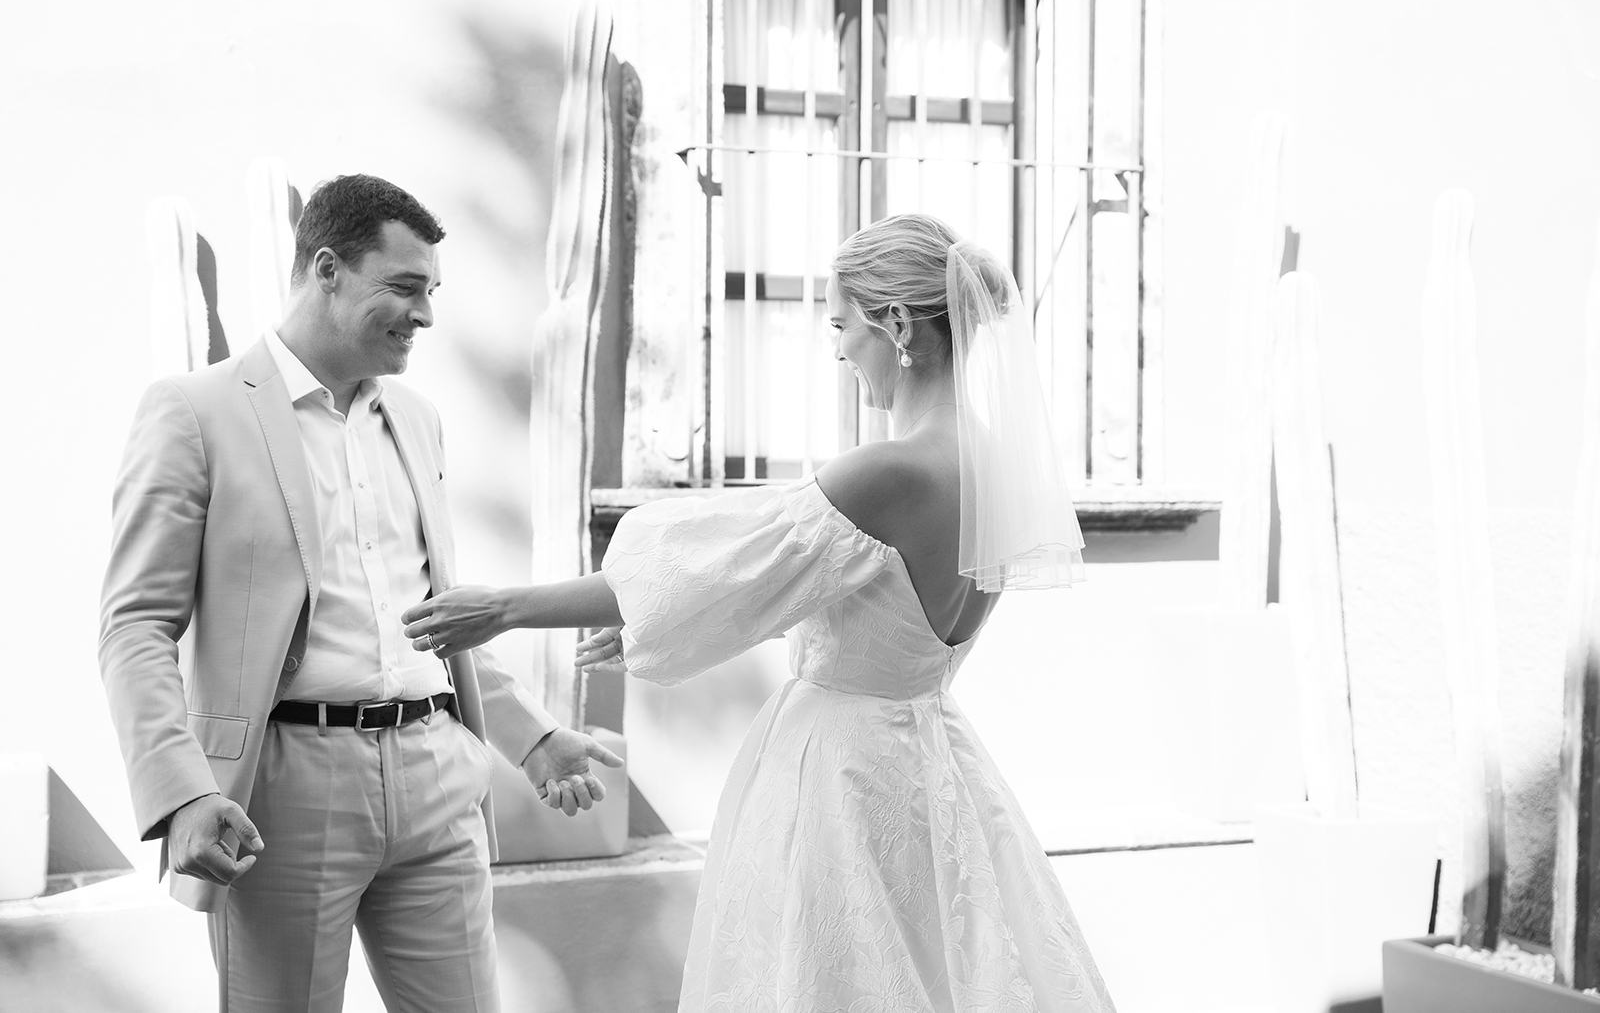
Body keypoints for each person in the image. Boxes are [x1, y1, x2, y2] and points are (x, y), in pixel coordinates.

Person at [403, 213, 1116, 1011]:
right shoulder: (996, 468)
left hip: (842, 773)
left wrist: (503, 607)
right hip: (932, 757)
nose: (838, 350)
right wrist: (667, 620)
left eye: (841, 326)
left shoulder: (887, 472)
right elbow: (858, 600)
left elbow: (706, 568)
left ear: (898, 325)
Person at [98, 174, 622, 1013]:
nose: (426, 314)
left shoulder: (417, 418)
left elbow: (422, 614)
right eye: (406, 287)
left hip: (437, 775)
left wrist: (530, 735)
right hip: (286, 789)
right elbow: (135, 625)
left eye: (432, 291)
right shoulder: (193, 412)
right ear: (328, 270)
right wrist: (185, 790)